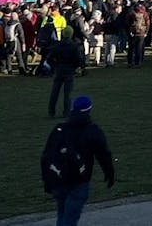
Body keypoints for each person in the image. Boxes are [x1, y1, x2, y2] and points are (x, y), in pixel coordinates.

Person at [41, 96, 115, 226]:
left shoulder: (60, 129)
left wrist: (47, 181)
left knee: (62, 212)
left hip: (59, 178)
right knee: (70, 217)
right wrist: (109, 173)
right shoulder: (93, 131)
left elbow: (47, 156)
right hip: (79, 179)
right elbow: (104, 154)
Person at [46, 28, 84, 118]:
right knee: (68, 93)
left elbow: (49, 58)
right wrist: (74, 67)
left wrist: (54, 67)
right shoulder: (74, 46)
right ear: (71, 34)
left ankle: (51, 111)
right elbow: (79, 59)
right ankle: (66, 112)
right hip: (69, 70)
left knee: (54, 91)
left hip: (59, 69)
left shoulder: (57, 45)